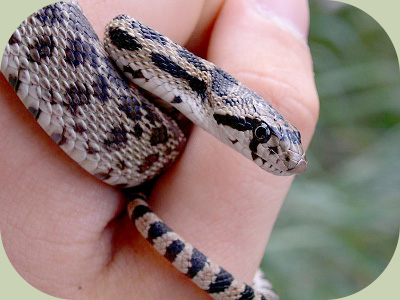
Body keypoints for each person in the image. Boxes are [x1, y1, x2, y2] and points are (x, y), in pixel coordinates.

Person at [0, 0, 319, 298]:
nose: (288, 160)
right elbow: (118, 33)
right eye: (261, 133)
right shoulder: (136, 43)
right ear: (220, 106)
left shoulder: (175, 80)